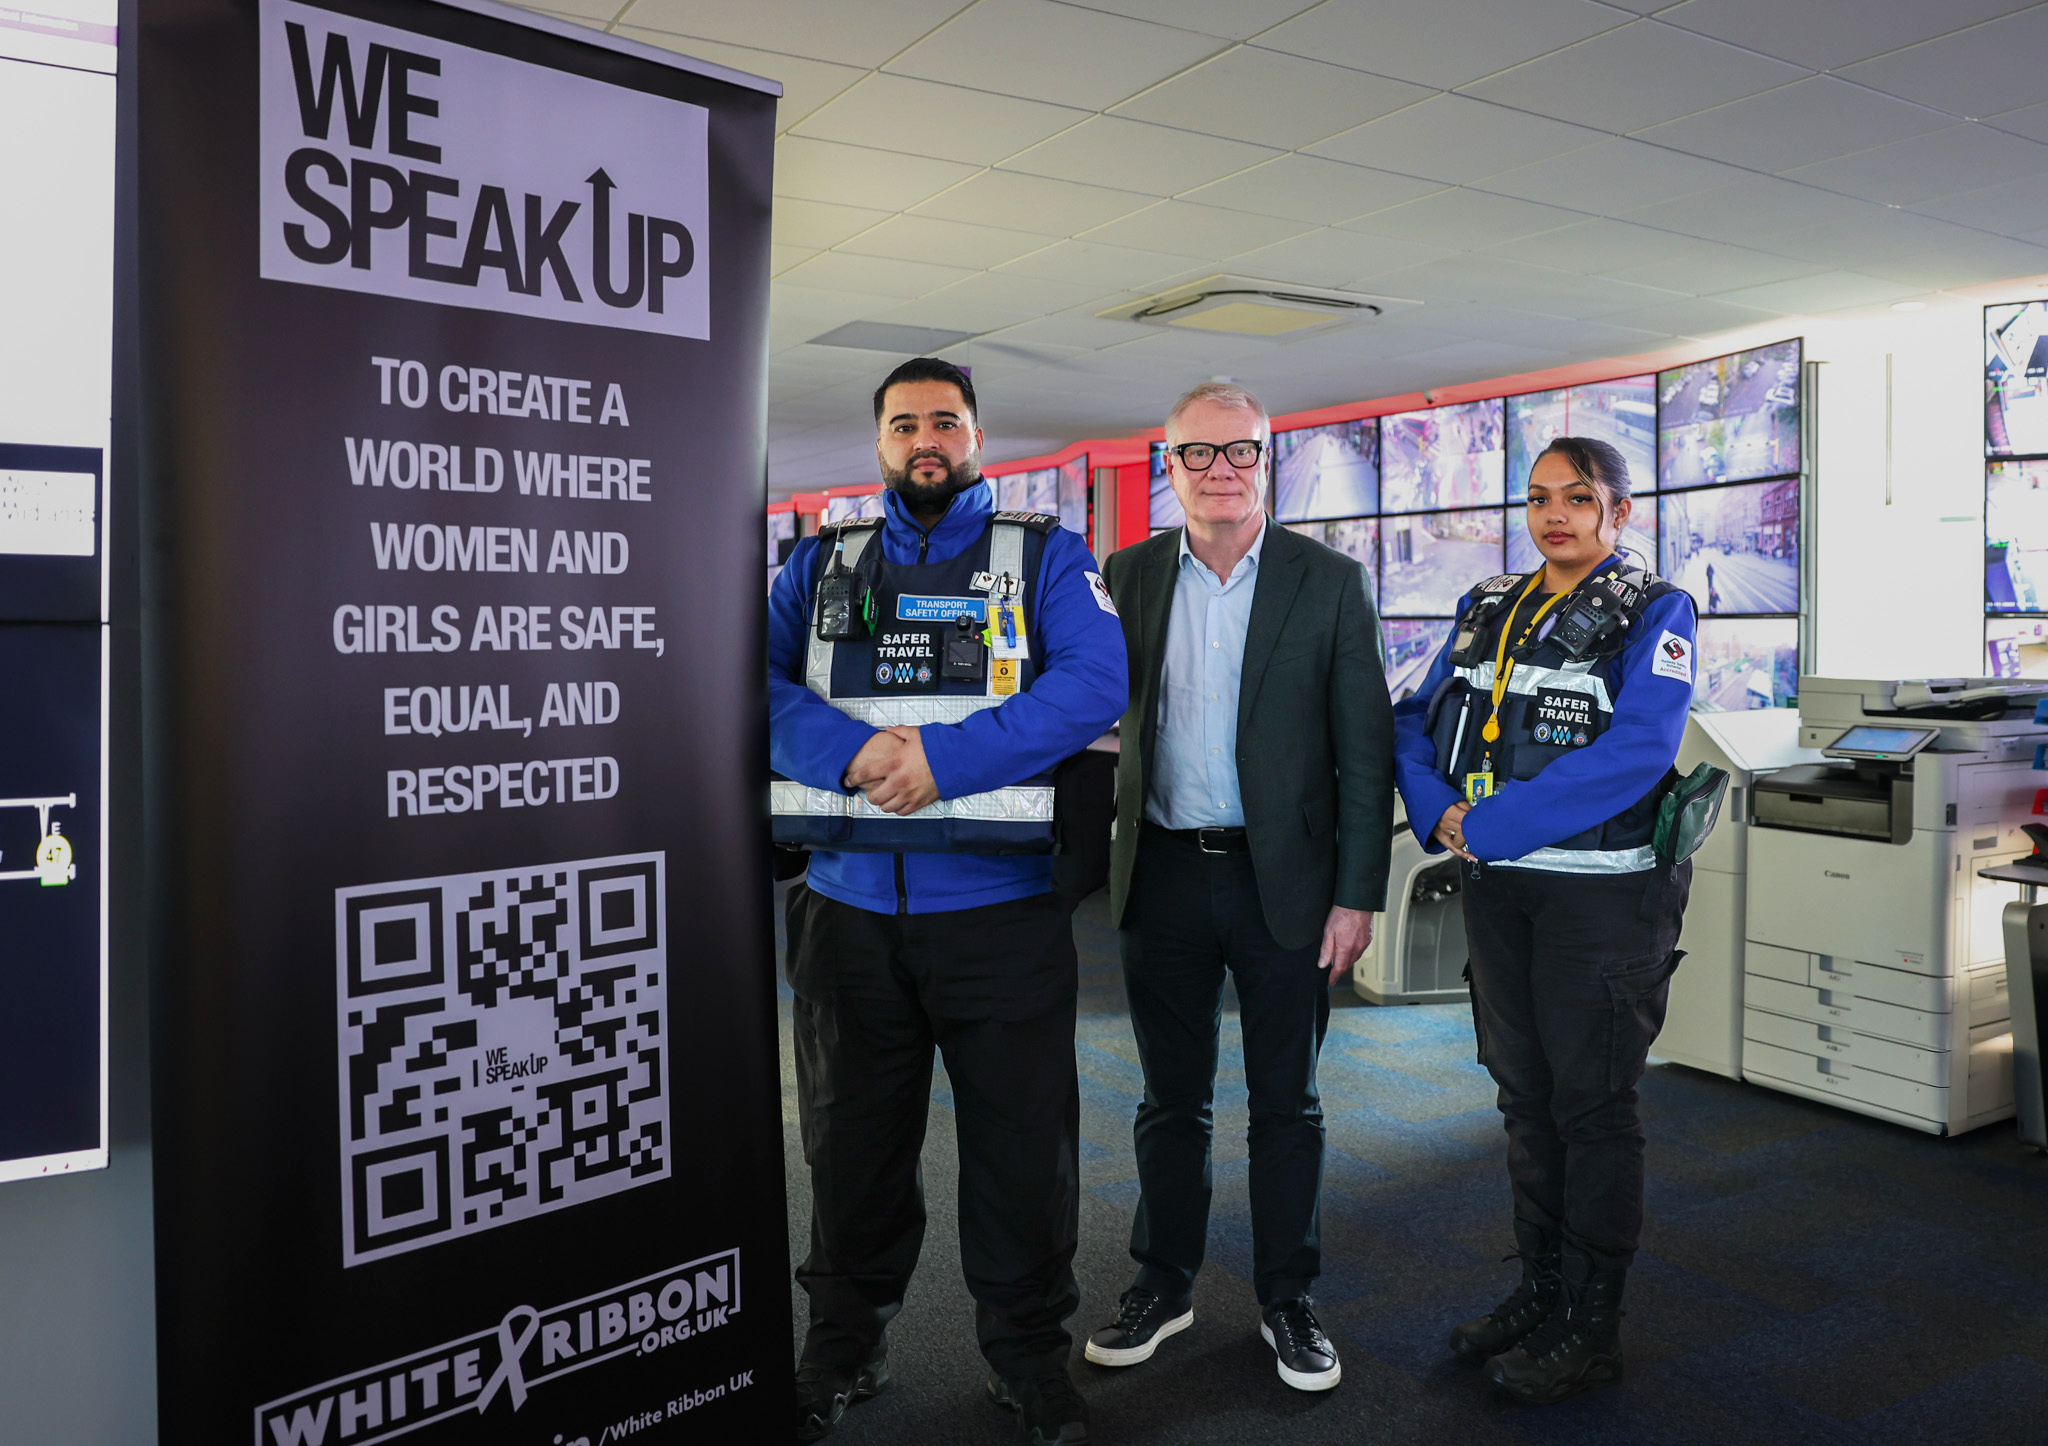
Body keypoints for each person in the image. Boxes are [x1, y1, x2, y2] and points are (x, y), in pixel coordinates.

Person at [768, 357, 1126, 1445]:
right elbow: (753, 678)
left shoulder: (1048, 556)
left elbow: (1093, 682)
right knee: (848, 1146)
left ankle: (1025, 1357)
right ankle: (842, 1346)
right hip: (845, 911)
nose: (926, 439)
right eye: (905, 423)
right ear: (878, 439)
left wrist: (944, 762)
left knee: (1022, 1152)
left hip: (1000, 915)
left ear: (977, 436)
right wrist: (863, 750)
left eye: (947, 423)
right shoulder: (815, 564)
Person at [1088, 382, 1394, 1393]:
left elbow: (1364, 750)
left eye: (1239, 453)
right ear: (1164, 466)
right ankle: (1163, 1282)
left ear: (1269, 462)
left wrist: (1355, 896)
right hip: (1163, 873)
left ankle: (1285, 1297)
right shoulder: (1124, 574)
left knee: (1286, 1105)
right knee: (1168, 1101)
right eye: (1196, 454)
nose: (1219, 470)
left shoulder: (1328, 581)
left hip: (1288, 885)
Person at [1390, 436, 1697, 1405]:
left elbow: (1639, 748)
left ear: (1619, 510)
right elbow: (1411, 717)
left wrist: (1488, 825)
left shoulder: (1656, 609)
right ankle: (1541, 1290)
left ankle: (1591, 1327)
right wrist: (1436, 811)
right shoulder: (1487, 605)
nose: (1552, 514)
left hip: (1598, 896)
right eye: (1536, 498)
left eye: (1575, 497)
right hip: (1497, 883)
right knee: (1521, 1097)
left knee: (1592, 1107)